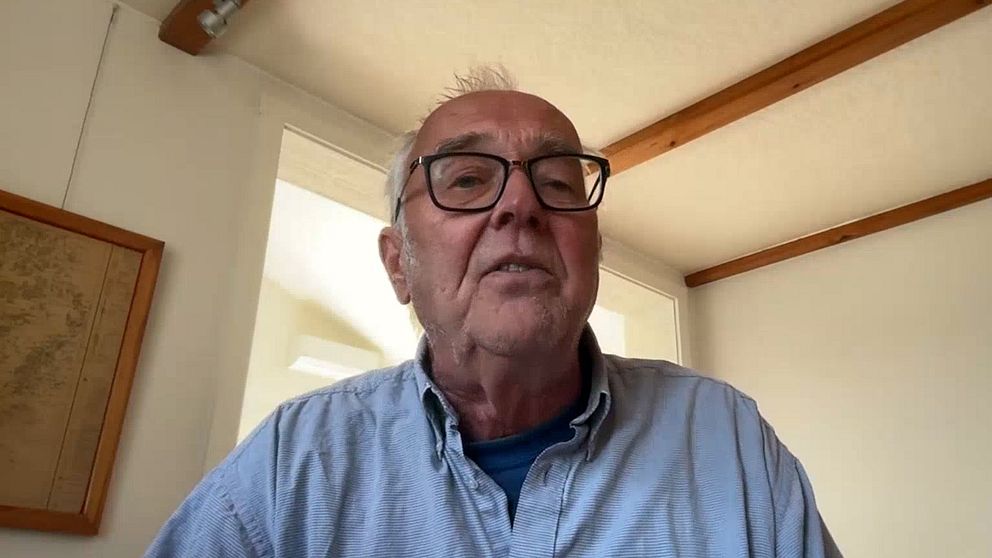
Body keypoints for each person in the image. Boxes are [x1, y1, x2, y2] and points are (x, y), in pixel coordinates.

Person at [146, 68, 841, 557]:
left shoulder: (726, 437)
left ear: (592, 251)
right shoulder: (293, 461)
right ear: (399, 264)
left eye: (557, 182)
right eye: (468, 179)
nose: (520, 205)